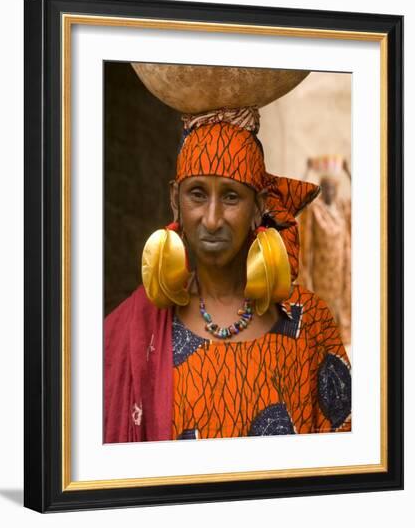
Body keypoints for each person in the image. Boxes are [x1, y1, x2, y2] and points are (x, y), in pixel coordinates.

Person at [104, 108, 351, 443]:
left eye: (232, 197)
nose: (212, 219)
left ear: (258, 207)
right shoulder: (134, 329)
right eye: (197, 194)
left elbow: (346, 463)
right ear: (174, 200)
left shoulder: (309, 324)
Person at [298, 156, 351, 344]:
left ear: (337, 189)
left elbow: (367, 203)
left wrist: (348, 171)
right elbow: (300, 201)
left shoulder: (342, 208)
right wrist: (307, 171)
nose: (329, 191)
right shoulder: (316, 210)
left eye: (332, 188)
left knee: (340, 315)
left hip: (341, 273)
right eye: (325, 188)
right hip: (321, 275)